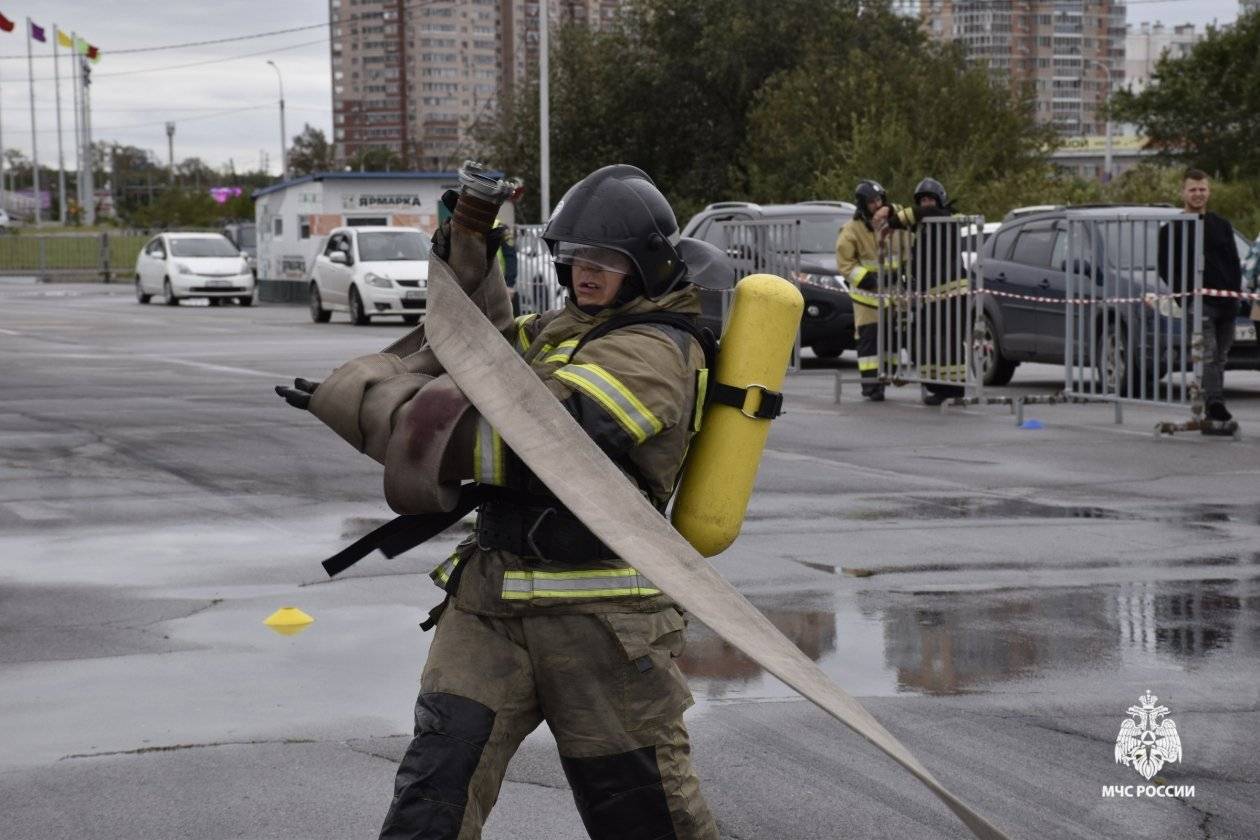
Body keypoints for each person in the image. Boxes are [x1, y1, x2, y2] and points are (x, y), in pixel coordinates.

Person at [284, 164, 723, 840]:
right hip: (488, 608)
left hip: (601, 627)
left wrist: (371, 409)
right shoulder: (558, 329)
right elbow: (466, 347)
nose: (585, 272)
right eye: (575, 256)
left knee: (646, 822)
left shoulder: (656, 352)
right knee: (430, 800)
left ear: (648, 265)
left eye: (605, 259)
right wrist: (469, 238)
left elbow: (530, 439)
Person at [1157, 168, 1243, 427]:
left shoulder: (1221, 225)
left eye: (1202, 189)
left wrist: (1234, 296)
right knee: (1207, 354)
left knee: (1220, 357)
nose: (1198, 194)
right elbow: (1166, 267)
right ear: (1183, 192)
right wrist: (1186, 298)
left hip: (1226, 302)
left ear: (1209, 191)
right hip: (1198, 303)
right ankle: (1215, 405)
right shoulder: (1173, 228)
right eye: (1193, 189)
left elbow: (1233, 262)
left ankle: (1211, 407)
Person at [879, 177, 969, 405]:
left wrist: (894, 222)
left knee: (949, 341)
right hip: (932, 295)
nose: (926, 204)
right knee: (925, 338)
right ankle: (937, 386)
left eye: (930, 199)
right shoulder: (924, 227)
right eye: (923, 200)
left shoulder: (947, 219)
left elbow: (920, 214)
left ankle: (954, 390)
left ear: (940, 200)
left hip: (952, 294)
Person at [835, 180, 908, 400]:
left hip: (892, 295)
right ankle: (871, 386)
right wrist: (865, 278)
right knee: (869, 342)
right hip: (867, 297)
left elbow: (907, 217)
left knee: (892, 341)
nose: (877, 205)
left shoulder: (893, 221)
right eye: (872, 202)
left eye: (880, 200)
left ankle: (889, 377)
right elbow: (845, 262)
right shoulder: (852, 229)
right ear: (862, 205)